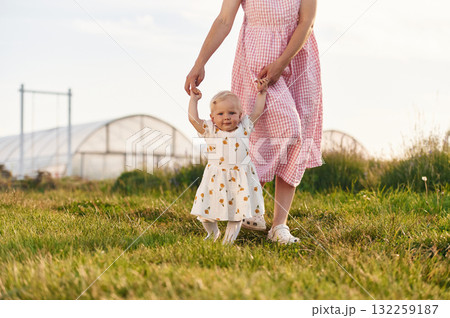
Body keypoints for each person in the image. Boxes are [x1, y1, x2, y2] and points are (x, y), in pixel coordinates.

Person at [185, 0, 322, 244]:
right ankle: (249, 208)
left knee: (296, 138)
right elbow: (224, 20)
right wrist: (200, 62)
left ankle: (279, 225)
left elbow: (307, 22)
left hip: (297, 57)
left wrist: (281, 64)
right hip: (257, 60)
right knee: (276, 130)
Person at [188, 79, 268, 244]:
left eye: (232, 113)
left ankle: (228, 242)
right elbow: (193, 119)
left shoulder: (244, 127)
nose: (226, 117)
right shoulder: (210, 130)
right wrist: (193, 100)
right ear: (212, 117)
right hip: (215, 178)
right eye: (220, 114)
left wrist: (262, 93)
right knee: (205, 213)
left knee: (237, 213)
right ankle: (213, 234)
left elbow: (258, 111)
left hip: (240, 179)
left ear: (240, 115)